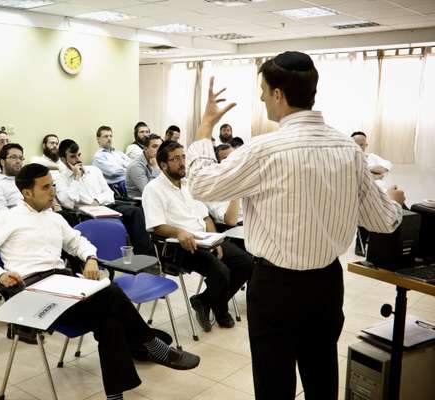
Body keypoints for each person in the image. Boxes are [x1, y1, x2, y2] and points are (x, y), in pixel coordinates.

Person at [186, 52, 405, 400]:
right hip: (326, 285)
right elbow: (383, 220)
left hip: (275, 288)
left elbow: (201, 184)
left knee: (274, 386)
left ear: (278, 94)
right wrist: (393, 199)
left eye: (263, 89)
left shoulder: (264, 150)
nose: (260, 97)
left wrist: (204, 128)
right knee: (321, 379)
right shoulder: (348, 149)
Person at [0, 163, 199, 400]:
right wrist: (0, 275)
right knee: (110, 292)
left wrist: (90, 258)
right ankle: (153, 345)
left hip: (62, 284)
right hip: (32, 292)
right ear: (26, 192)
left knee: (110, 324)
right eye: (46, 187)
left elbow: (78, 242)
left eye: (53, 185)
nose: (53, 191)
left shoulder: (54, 218)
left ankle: (115, 395)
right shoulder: (7, 218)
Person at [141, 140, 253, 332]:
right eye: (175, 159)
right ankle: (220, 310)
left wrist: (215, 239)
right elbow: (156, 226)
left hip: (204, 239)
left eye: (183, 157)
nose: (182, 162)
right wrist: (178, 231)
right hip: (179, 246)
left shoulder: (188, 185)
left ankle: (204, 300)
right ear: (163, 165)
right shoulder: (153, 189)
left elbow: (205, 216)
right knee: (221, 271)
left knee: (246, 263)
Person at [55, 139, 154, 255]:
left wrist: (97, 200)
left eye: (79, 155)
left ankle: (146, 255)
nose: (78, 160)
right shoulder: (61, 179)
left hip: (106, 205)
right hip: (86, 213)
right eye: (73, 156)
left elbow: (109, 193)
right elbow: (68, 203)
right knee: (117, 221)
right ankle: (121, 257)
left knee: (135, 212)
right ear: (63, 159)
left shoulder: (94, 171)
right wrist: (76, 178)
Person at [0, 143, 25, 215]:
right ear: (2, 162)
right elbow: (0, 213)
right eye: (13, 157)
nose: (18, 161)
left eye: (21, 158)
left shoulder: (28, 179)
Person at [92, 126, 130, 190]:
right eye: (106, 136)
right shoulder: (98, 157)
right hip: (117, 186)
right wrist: (130, 171)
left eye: (110, 136)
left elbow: (131, 164)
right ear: (98, 139)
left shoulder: (118, 153)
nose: (109, 138)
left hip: (129, 180)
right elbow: (113, 172)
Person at [126, 134, 162, 198]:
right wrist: (155, 168)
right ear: (145, 148)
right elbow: (149, 192)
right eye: (154, 146)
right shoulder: (135, 166)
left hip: (158, 197)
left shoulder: (159, 160)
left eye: (161, 147)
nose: (159, 150)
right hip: (139, 203)